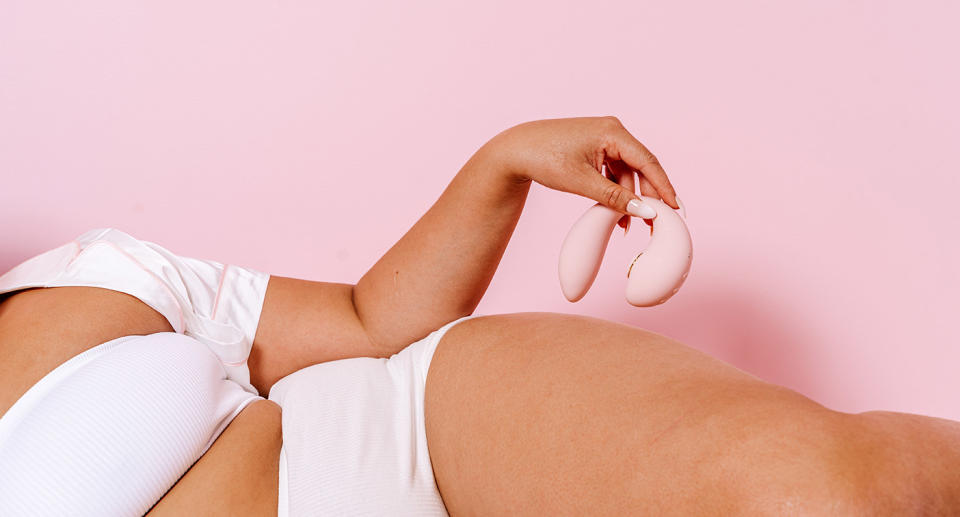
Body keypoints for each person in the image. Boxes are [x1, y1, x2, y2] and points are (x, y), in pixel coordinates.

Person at [1, 116, 958, 516]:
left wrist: (501, 163)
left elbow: (371, 320)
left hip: (420, 433)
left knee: (824, 497)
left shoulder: (85, 275)